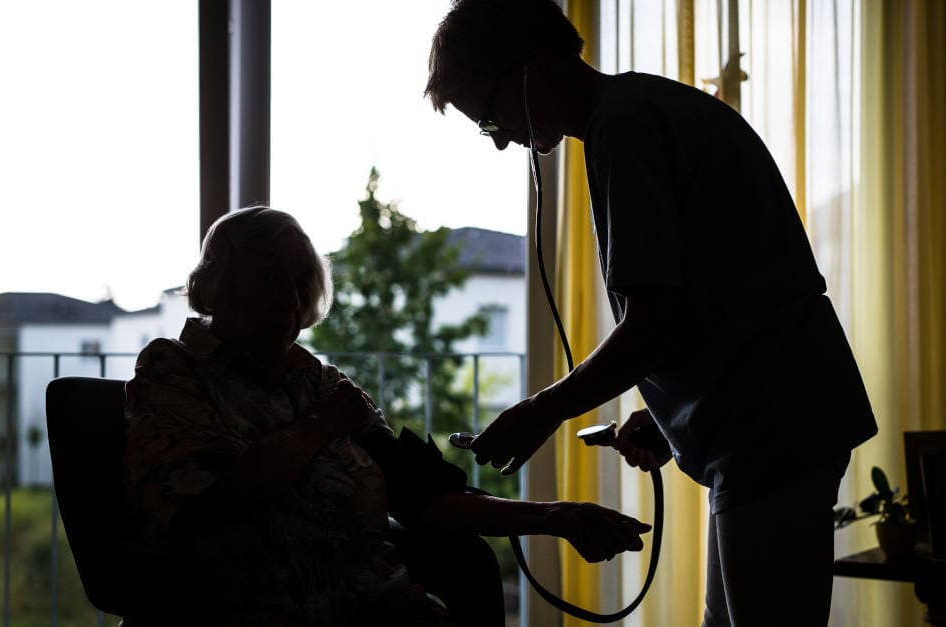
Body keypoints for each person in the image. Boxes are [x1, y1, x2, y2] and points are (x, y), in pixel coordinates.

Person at [424, 1, 878, 625]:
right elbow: (716, 300)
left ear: (528, 65)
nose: (500, 138)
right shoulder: (635, 114)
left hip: (771, 427)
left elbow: (655, 320)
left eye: (487, 117)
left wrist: (542, 412)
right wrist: (671, 421)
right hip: (770, 421)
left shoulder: (626, 128)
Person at [123, 206, 651, 627]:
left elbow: (426, 498)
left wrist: (554, 517)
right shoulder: (175, 369)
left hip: (379, 604)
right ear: (218, 285)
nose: (290, 298)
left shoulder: (321, 383)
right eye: (268, 278)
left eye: (302, 281)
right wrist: (318, 429)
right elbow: (207, 510)